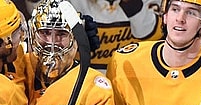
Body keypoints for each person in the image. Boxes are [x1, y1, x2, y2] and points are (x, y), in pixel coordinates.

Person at [24, 0, 163, 71]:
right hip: (80, 85)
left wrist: (134, 7)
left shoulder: (158, 4)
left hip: (134, 84)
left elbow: (154, 37)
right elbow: (37, 11)